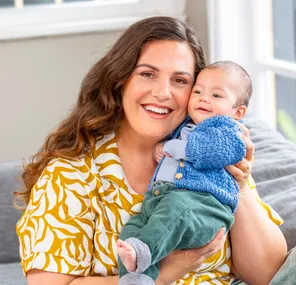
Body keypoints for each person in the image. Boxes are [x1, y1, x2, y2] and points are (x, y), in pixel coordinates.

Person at [14, 16, 287, 285]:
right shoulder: (70, 175)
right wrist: (167, 272)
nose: (162, 92)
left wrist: (240, 188)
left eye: (180, 81)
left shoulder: (208, 148)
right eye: (147, 74)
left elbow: (268, 274)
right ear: (119, 81)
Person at [116, 61, 252, 285]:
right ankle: (136, 278)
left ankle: (141, 256)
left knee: (174, 212)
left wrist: (180, 149)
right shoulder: (186, 124)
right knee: (133, 228)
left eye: (216, 96)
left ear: (238, 112)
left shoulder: (228, 129)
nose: (203, 98)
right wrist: (164, 147)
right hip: (161, 200)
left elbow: (219, 149)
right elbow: (174, 146)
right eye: (198, 91)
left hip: (203, 206)